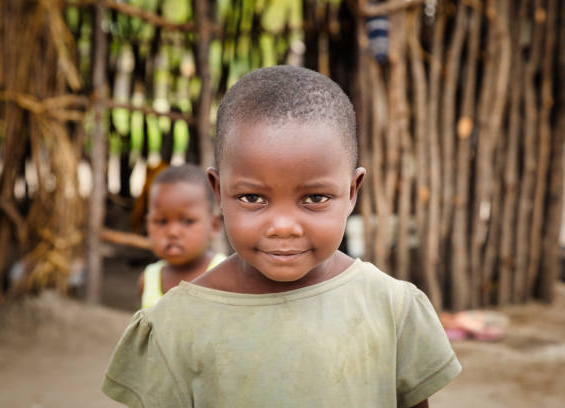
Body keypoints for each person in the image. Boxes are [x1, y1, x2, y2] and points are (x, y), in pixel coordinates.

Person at [103, 66, 461, 407]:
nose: (283, 226)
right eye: (253, 198)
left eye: (315, 198)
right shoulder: (174, 327)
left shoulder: (392, 308)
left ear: (352, 191)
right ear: (218, 192)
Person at [138, 164, 226, 309]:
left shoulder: (226, 274)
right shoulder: (148, 280)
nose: (172, 232)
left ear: (214, 226)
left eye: (187, 221)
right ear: (148, 226)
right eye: (161, 221)